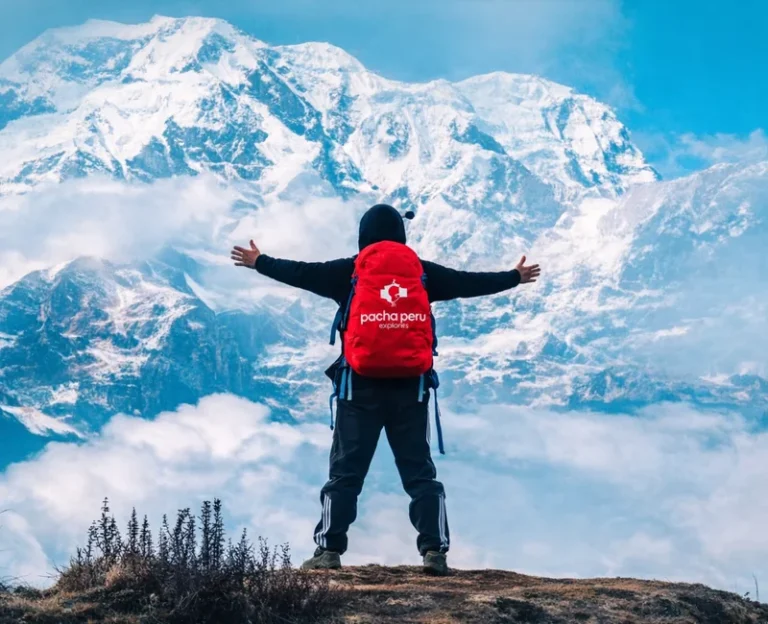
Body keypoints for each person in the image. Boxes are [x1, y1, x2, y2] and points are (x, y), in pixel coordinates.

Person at [231, 204, 540, 575]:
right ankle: (434, 552)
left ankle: (328, 551)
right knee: (419, 473)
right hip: (411, 390)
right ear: (401, 236)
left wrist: (259, 261)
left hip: (357, 389)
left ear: (364, 236)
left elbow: (299, 272)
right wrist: (513, 277)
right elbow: (468, 281)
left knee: (345, 473)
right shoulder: (422, 273)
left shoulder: (349, 271)